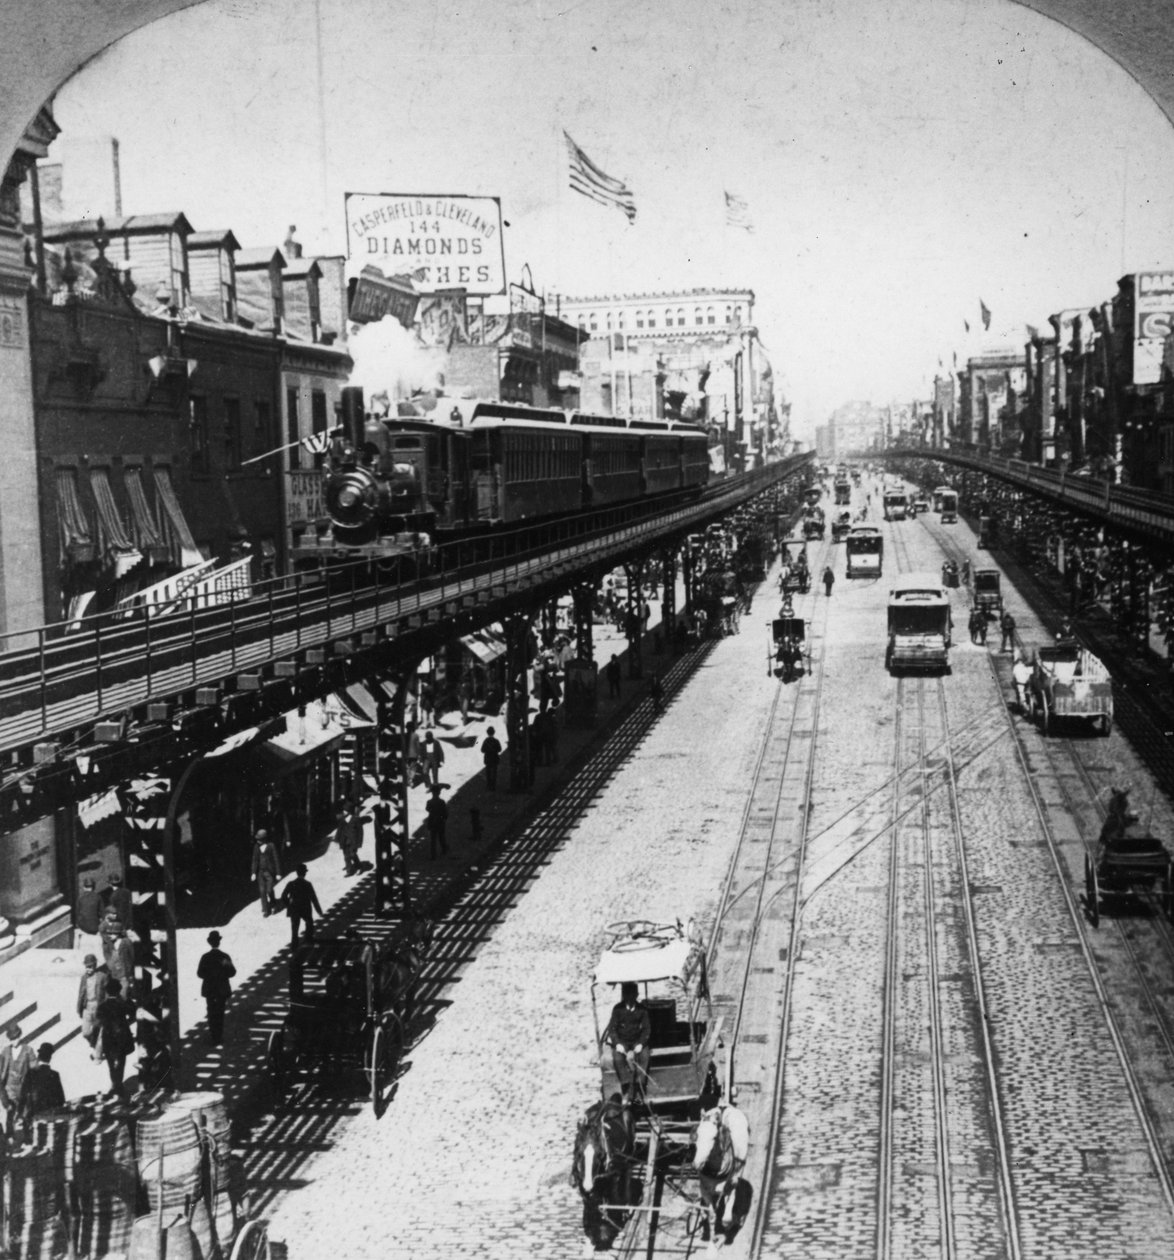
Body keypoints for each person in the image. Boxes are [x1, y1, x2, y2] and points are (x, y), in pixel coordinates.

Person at [604, 981, 651, 1103]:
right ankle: (626, 1087)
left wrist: (641, 1044)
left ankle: (639, 1085)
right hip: (623, 1041)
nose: (630, 998)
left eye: (632, 995)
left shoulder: (642, 1010)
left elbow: (647, 1029)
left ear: (636, 995)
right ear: (624, 996)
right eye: (627, 995)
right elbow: (612, 1029)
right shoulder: (618, 1009)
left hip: (636, 1041)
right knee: (618, 1058)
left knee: (645, 1056)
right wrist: (617, 1043)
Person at [95, 979, 135, 1096]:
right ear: (119, 991)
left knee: (111, 1064)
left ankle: (115, 1084)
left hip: (108, 1039)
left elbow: (98, 1021)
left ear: (107, 992)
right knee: (121, 1062)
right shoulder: (122, 1004)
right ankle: (119, 1085)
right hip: (122, 1037)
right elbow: (133, 1011)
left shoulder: (103, 1006)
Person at [196, 931, 236, 1046]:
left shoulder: (205, 957)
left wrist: (210, 976)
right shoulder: (224, 957)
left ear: (210, 943)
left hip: (209, 990)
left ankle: (213, 1036)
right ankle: (218, 1037)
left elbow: (199, 973)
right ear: (219, 942)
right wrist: (222, 975)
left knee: (211, 1011)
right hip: (222, 990)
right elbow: (232, 972)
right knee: (220, 1012)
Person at [18, 1044, 65, 1135]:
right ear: (50, 1058)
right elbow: (61, 1100)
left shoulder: (30, 1074)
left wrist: (20, 1114)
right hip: (50, 1120)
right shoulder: (55, 1075)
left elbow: (23, 1096)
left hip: (33, 1118)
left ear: (39, 1057)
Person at [0, 1024, 34, 1136]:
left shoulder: (28, 1050)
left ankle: (27, 1138)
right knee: (10, 1113)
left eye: (15, 1038)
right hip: (9, 1088)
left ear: (20, 1036)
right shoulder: (5, 1052)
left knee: (25, 1114)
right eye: (11, 1039)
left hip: (23, 1088)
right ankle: (10, 1136)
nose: (13, 1041)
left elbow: (34, 1069)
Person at [282, 864, 323, 946]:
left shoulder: (291, 883)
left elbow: (283, 896)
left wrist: (289, 905)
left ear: (297, 873)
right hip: (305, 908)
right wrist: (319, 911)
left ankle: (294, 946)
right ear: (304, 873)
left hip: (294, 909)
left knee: (294, 928)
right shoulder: (307, 884)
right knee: (309, 923)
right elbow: (313, 899)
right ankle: (308, 940)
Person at [77, 953, 107, 1057]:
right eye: (86, 967)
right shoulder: (84, 978)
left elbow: (106, 994)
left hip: (98, 1006)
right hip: (87, 1006)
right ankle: (95, 1045)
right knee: (85, 1033)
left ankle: (98, 1052)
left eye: (90, 967)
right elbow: (80, 994)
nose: (88, 969)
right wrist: (79, 1009)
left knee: (97, 1030)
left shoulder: (102, 976)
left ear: (95, 965)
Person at [250, 830, 282, 916]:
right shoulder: (256, 847)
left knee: (269, 889)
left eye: (259, 839)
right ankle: (265, 910)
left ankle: (273, 903)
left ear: (264, 839)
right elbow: (255, 860)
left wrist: (278, 873)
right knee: (262, 891)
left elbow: (276, 859)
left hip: (269, 872)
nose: (257, 841)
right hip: (260, 872)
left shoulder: (271, 846)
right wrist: (253, 872)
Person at [101, 917, 135, 995]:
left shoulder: (126, 942)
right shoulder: (107, 944)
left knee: (123, 995)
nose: (110, 936)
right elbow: (107, 959)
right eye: (108, 933)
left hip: (124, 975)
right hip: (113, 976)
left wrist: (129, 974)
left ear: (118, 933)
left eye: (112, 933)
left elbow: (132, 958)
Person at [75, 875, 103, 953]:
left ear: (84, 887)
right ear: (93, 887)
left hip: (83, 928)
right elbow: (102, 913)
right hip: (95, 928)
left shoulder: (80, 898)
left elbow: (77, 913)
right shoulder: (98, 897)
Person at [101, 872, 133, 937]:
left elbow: (113, 910)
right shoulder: (127, 891)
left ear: (110, 884)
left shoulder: (113, 896)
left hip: (119, 922)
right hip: (128, 921)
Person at [425, 785, 449, 859]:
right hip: (440, 821)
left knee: (433, 839)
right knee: (441, 837)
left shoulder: (429, 802)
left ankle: (433, 855)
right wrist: (444, 818)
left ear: (432, 793)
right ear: (439, 793)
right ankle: (444, 850)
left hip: (432, 821)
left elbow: (427, 809)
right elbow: (445, 812)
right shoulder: (442, 802)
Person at [481, 726, 503, 791]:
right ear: (494, 733)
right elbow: (499, 749)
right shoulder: (496, 741)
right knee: (494, 773)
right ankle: (493, 786)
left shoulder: (486, 740)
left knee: (488, 773)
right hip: (494, 759)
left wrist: (488, 750)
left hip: (488, 759)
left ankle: (488, 785)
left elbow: (482, 750)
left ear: (487, 733)